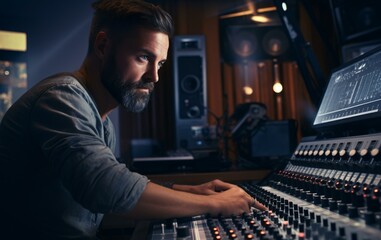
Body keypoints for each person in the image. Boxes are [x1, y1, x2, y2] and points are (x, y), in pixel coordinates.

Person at [0, 0, 266, 239]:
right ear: (103, 45)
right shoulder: (61, 98)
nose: (154, 77)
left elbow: (109, 196)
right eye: (143, 58)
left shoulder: (102, 121)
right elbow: (104, 187)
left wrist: (187, 191)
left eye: (159, 63)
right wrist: (214, 204)